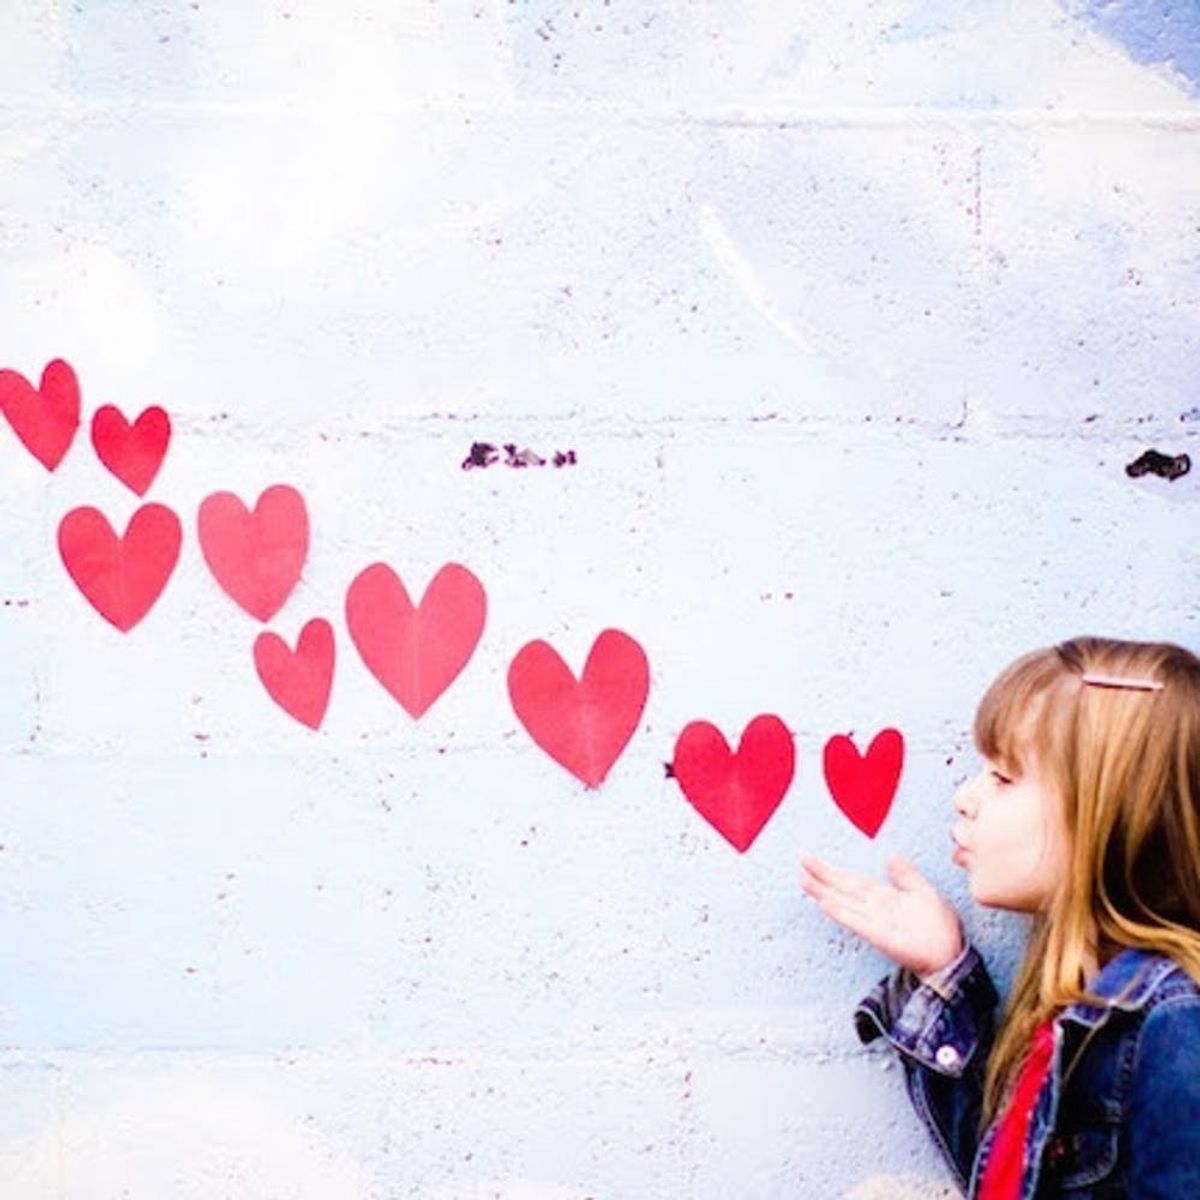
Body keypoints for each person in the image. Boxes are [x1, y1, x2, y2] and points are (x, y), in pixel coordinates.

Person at [801, 636, 1200, 1199]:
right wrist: (944, 973)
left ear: (1112, 814)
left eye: (1004, 777)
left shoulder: (1173, 1027)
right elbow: (1012, 1180)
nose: (966, 797)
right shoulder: (1074, 1006)